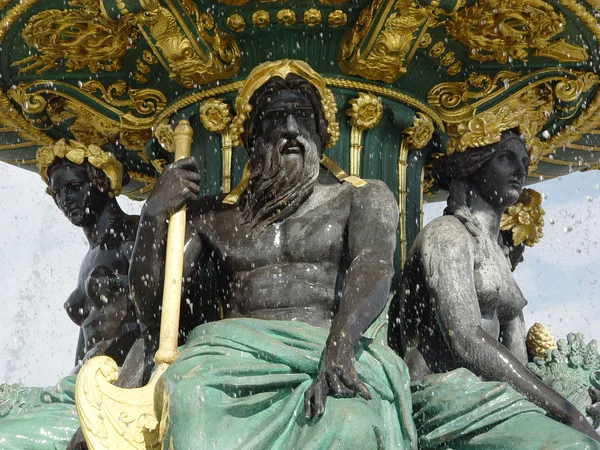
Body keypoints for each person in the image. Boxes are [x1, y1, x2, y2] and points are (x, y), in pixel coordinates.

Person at [129, 59, 417, 449]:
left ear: (322, 131)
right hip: (232, 364)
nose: (292, 130)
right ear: (252, 136)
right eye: (276, 117)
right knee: (189, 397)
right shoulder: (212, 218)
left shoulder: (363, 198)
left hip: (329, 346)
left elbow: (375, 267)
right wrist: (152, 216)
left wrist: (340, 344)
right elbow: (153, 312)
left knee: (352, 424)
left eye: (302, 116)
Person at [392, 129, 600, 449]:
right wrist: (566, 412)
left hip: (490, 397)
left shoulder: (500, 259)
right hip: (443, 394)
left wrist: (565, 407)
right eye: (506, 158)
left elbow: (519, 360)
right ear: (472, 166)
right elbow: (464, 340)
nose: (521, 170)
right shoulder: (447, 235)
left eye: (525, 162)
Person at [0, 140, 142, 450]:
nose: (66, 200)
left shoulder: (135, 237)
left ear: (101, 181)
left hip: (117, 384)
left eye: (74, 187)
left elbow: (150, 324)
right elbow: (86, 340)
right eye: (58, 193)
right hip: (81, 383)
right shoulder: (91, 257)